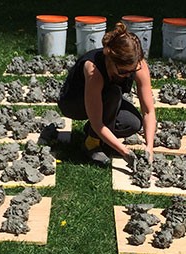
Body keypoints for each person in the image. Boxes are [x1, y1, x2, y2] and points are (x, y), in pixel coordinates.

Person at [57, 22, 156, 166]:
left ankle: (101, 139)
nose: (128, 74)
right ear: (111, 60)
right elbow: (98, 123)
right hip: (74, 103)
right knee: (113, 93)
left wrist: (149, 148)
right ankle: (91, 144)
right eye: (123, 71)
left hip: (105, 100)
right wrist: (125, 152)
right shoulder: (94, 70)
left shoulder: (138, 66)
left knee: (133, 123)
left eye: (132, 70)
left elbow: (148, 112)